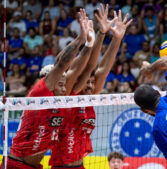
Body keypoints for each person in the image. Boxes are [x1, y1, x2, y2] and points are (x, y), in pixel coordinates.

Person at [1, 9, 93, 169]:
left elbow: (77, 69)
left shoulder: (61, 102)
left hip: (35, 166)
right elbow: (61, 64)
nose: (65, 87)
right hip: (16, 163)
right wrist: (80, 39)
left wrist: (90, 44)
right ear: (49, 82)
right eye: (60, 84)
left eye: (65, 84)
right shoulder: (38, 94)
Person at [49, 7, 132, 169]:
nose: (90, 85)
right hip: (60, 166)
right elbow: (88, 67)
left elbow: (102, 70)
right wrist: (99, 35)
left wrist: (116, 39)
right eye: (87, 82)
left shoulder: (91, 96)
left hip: (80, 165)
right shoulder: (69, 94)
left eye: (92, 83)